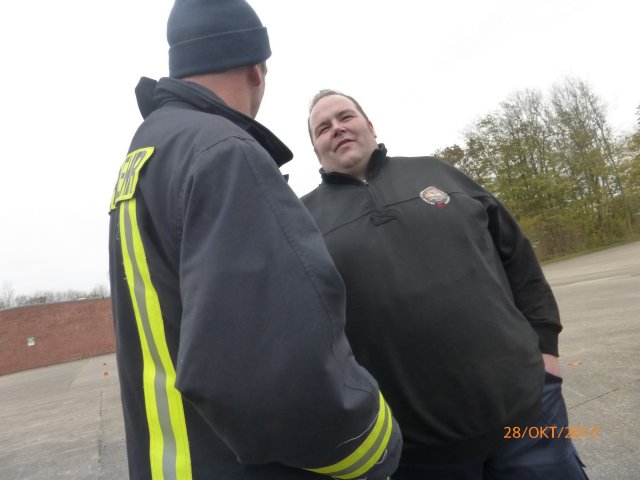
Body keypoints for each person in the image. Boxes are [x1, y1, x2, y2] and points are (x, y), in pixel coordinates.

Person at [108, 3, 402, 479]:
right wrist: (373, 448)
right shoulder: (224, 152)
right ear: (255, 68)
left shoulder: (150, 149)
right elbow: (274, 371)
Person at [301, 89, 588, 479]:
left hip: (528, 414)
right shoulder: (303, 222)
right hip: (419, 450)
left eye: (345, 117)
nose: (336, 128)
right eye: (323, 128)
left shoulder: (436, 173)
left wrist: (547, 349)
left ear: (369, 125)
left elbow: (518, 257)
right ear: (316, 150)